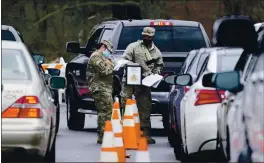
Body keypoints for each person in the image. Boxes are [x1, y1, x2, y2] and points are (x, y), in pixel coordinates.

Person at [120, 27, 164, 144]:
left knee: (145, 106)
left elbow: (159, 65)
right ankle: (127, 133)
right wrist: (135, 66)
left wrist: (156, 73)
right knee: (127, 104)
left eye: (149, 37)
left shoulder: (156, 52)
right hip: (131, 80)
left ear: (153, 37)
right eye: (145, 36)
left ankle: (145, 134)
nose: (147, 39)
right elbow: (124, 60)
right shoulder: (133, 47)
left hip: (145, 82)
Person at [86, 40, 115, 144]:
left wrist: (109, 63)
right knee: (105, 112)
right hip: (100, 88)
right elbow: (103, 71)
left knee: (106, 111)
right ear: (103, 47)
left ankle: (103, 135)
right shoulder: (96, 56)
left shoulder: (102, 57)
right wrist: (113, 65)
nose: (109, 53)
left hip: (103, 88)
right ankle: (103, 136)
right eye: (108, 50)